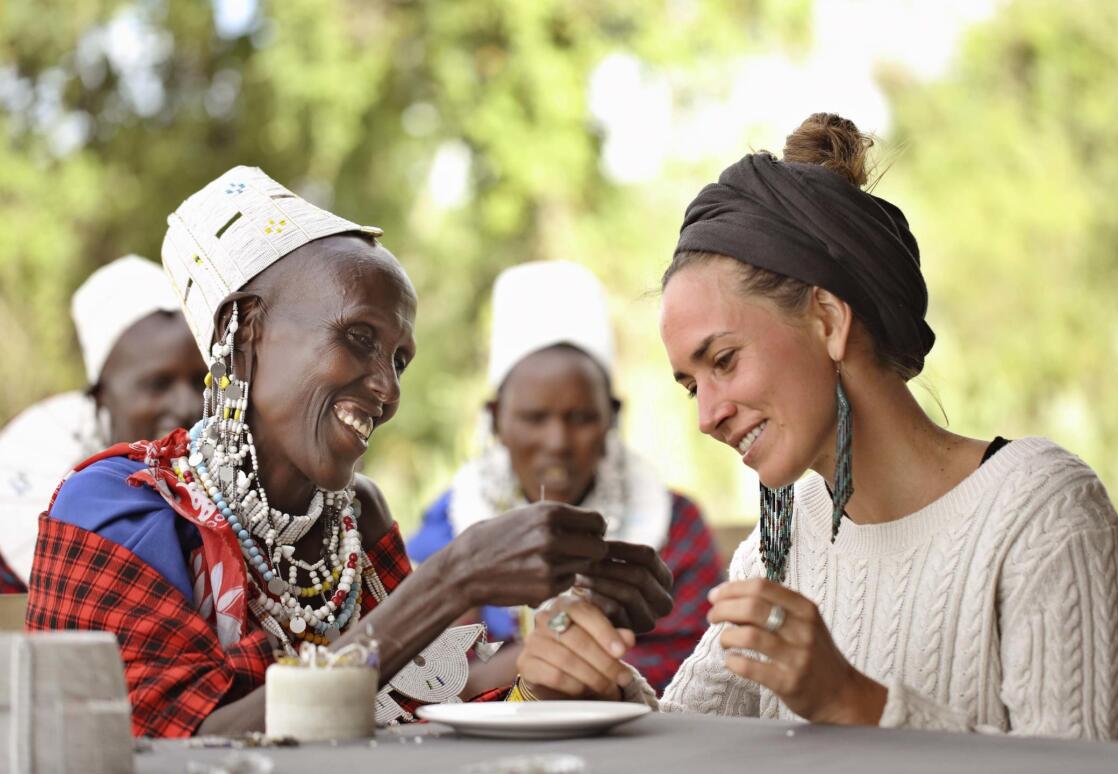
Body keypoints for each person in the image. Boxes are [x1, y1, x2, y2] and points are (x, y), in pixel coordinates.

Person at [513, 113, 1118, 739]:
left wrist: (850, 699)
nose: (707, 416)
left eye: (724, 361)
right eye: (691, 386)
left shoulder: (1042, 516)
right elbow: (690, 740)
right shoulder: (779, 542)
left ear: (828, 322)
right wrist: (595, 685)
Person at [24, 167, 671, 736]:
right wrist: (451, 579)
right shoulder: (116, 508)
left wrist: (553, 657)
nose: (388, 390)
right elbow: (194, 748)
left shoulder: (355, 517)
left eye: (398, 359)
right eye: (358, 337)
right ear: (245, 330)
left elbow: (432, 703)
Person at [408, 261, 724, 693]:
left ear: (612, 418)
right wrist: (541, 656)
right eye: (534, 418)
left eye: (580, 418)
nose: (557, 441)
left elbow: (700, 675)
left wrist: (529, 660)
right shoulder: (452, 527)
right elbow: (427, 681)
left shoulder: (673, 526)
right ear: (496, 419)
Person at [0, 255, 206, 584]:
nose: (187, 405)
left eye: (202, 381)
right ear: (100, 395)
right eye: (158, 384)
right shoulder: (26, 517)